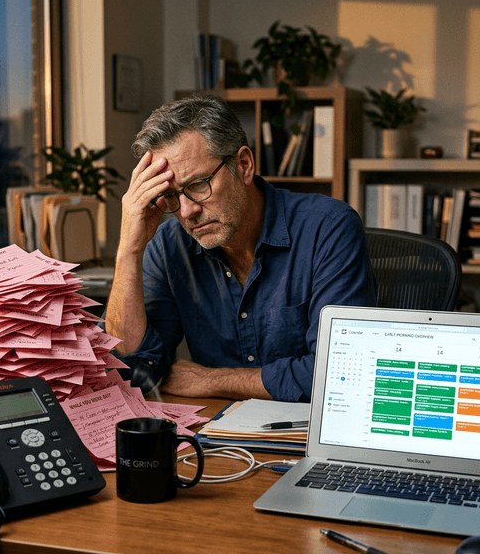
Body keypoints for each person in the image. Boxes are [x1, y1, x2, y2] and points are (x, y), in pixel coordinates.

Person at [105, 93, 376, 402]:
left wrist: (210, 380)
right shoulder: (169, 246)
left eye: (197, 185)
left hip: (304, 434)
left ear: (244, 165)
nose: (186, 211)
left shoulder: (329, 227)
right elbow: (135, 372)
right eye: (169, 194)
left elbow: (338, 374)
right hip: (213, 436)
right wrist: (128, 250)